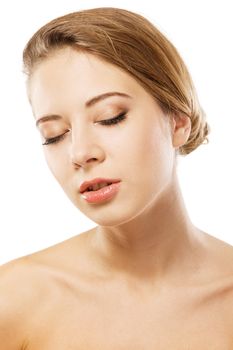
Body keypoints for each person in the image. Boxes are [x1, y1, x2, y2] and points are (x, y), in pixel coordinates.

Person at [1, 7, 233, 349]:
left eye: (110, 118)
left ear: (179, 122)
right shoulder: (14, 299)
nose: (79, 153)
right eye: (54, 135)